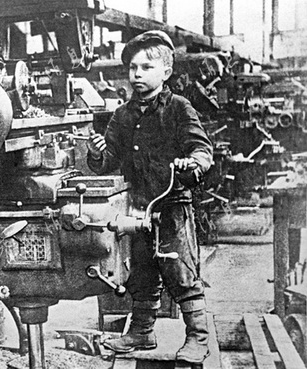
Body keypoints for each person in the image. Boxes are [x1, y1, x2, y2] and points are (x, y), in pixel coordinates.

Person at [87, 30, 213, 364]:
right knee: (141, 273)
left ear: (166, 72)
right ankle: (142, 331)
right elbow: (109, 160)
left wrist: (194, 163)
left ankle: (198, 338)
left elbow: (202, 149)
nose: (136, 74)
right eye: (132, 68)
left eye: (145, 67)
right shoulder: (123, 115)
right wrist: (98, 151)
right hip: (136, 207)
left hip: (172, 207)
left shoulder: (178, 109)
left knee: (182, 274)